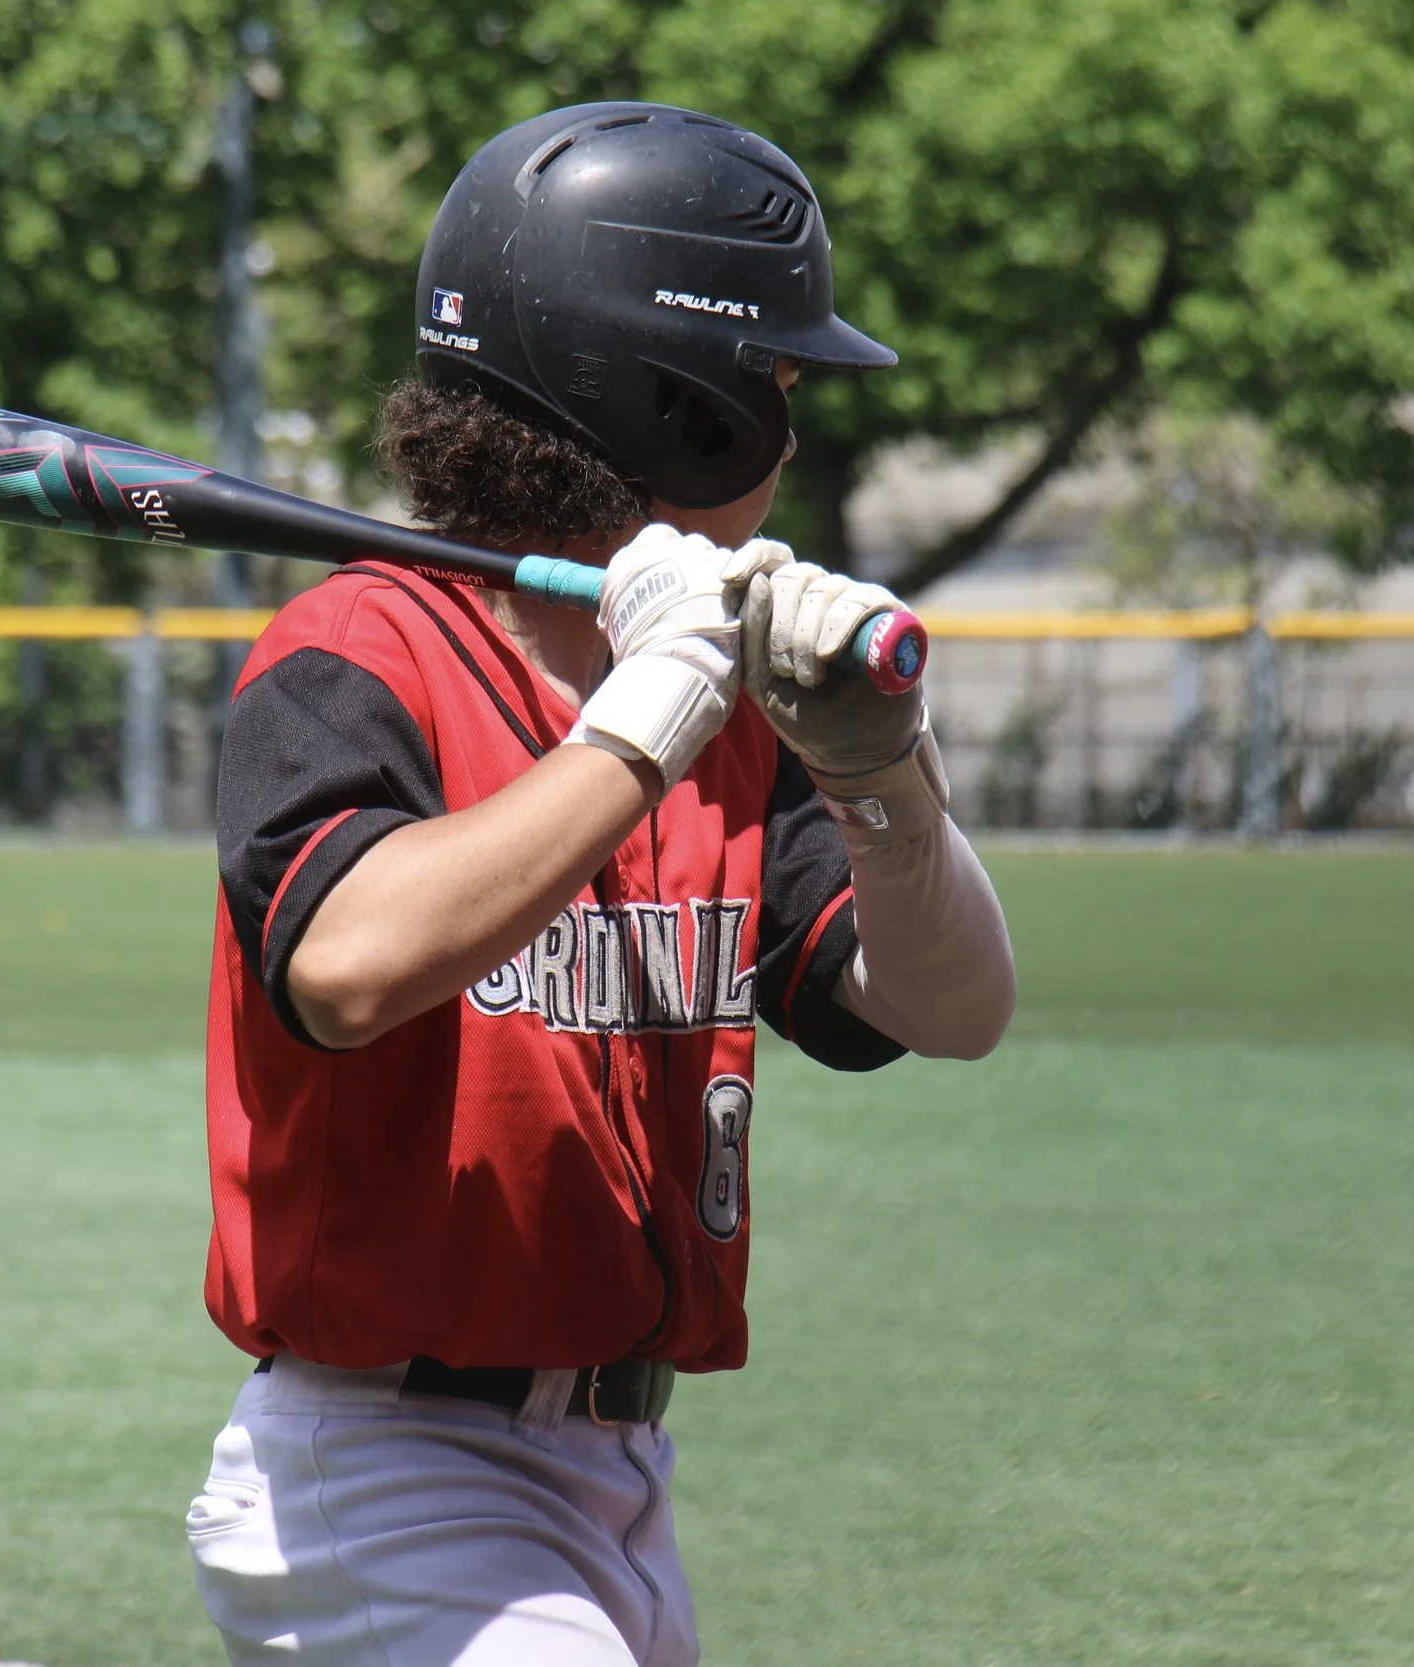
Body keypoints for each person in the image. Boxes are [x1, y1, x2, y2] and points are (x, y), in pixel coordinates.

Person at [187, 105, 1017, 1666]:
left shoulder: (735, 714)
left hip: (618, 1472)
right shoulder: (358, 650)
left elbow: (952, 1005)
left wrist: (878, 770)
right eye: (773, 385)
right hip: (386, 1470)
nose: (789, 431)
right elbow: (346, 965)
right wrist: (649, 714)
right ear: (678, 401)